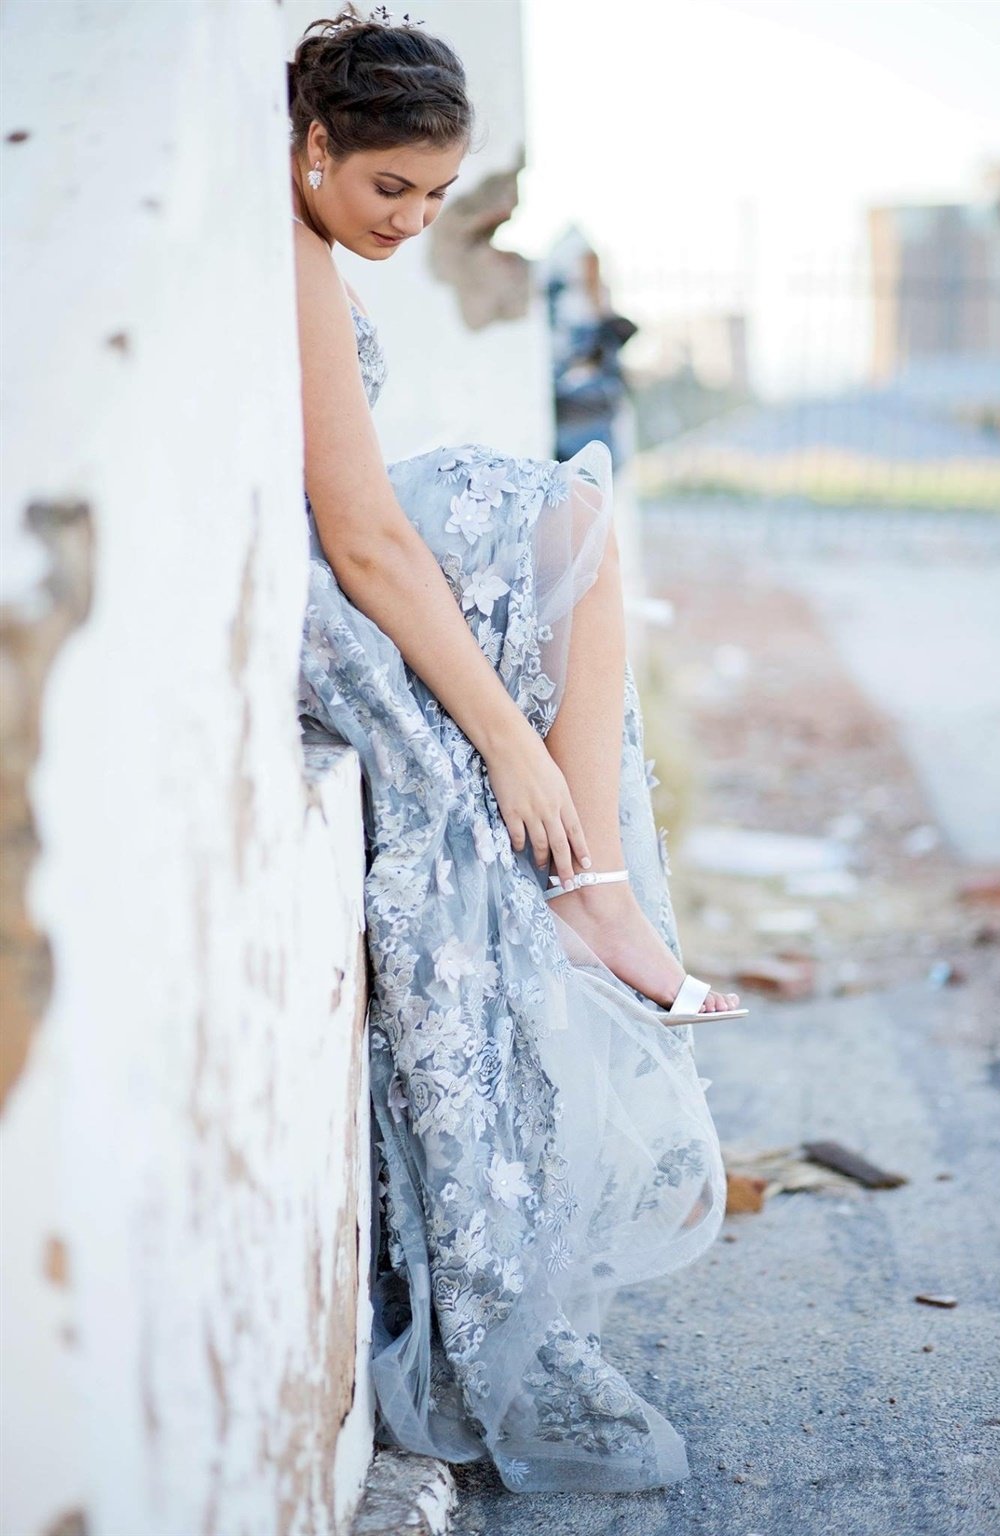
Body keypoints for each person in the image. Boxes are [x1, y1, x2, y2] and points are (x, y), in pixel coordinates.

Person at [288, 3, 746, 1496]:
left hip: (339, 563)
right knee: (566, 517)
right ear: (311, 147)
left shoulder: (309, 246)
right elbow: (362, 535)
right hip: (321, 594)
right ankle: (590, 885)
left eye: (435, 196)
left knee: (571, 519)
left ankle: (595, 887)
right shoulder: (285, 260)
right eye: (389, 188)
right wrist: (507, 741)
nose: (412, 223)